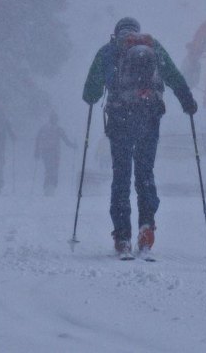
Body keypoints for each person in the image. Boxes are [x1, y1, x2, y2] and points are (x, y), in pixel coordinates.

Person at [82, 17, 198, 257]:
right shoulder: (153, 48)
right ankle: (146, 230)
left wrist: (99, 91)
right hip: (148, 117)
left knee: (121, 177)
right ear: (137, 32)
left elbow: (90, 94)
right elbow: (174, 76)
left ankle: (122, 238)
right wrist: (188, 102)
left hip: (119, 119)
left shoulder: (108, 51)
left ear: (116, 33)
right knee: (145, 174)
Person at [34, 111, 76, 196]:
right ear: (56, 120)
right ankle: (51, 186)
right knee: (53, 169)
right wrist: (73, 145)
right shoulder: (58, 129)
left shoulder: (43, 128)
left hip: (45, 152)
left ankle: (47, 187)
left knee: (48, 168)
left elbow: (38, 139)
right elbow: (66, 141)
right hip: (54, 152)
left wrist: (37, 151)